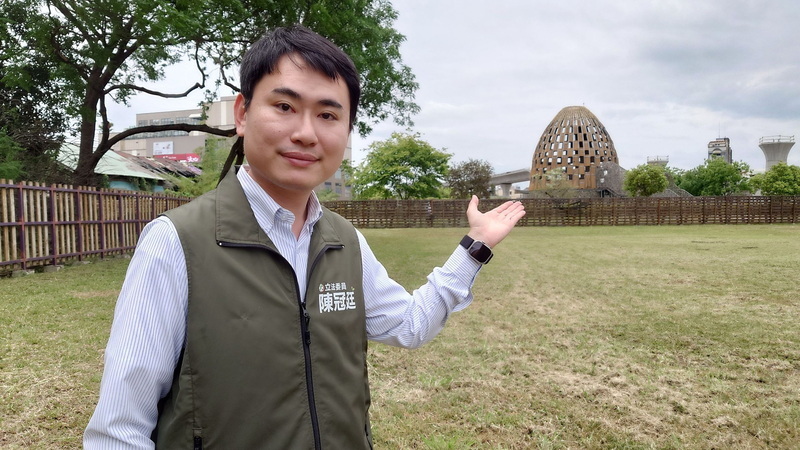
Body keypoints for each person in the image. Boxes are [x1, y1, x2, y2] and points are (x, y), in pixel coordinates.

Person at [84, 25, 525, 449]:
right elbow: (119, 430)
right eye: (284, 106)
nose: (306, 133)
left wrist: (475, 247)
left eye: (328, 115)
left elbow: (409, 324)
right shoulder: (175, 242)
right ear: (242, 113)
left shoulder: (345, 241)